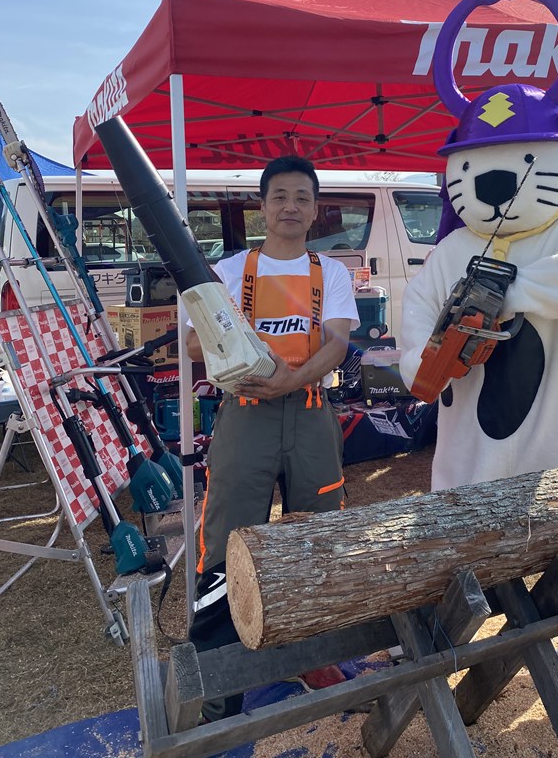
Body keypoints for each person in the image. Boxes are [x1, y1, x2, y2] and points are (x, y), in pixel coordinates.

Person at [185, 155, 359, 722]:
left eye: (302, 197)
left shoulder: (331, 273)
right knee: (225, 544)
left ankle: (316, 657)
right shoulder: (230, 270)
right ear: (262, 206)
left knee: (320, 535)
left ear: (315, 209)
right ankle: (219, 684)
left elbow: (337, 343)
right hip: (244, 416)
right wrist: (234, 350)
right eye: (280, 196)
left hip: (310, 413)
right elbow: (192, 343)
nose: (291, 206)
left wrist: (290, 380)